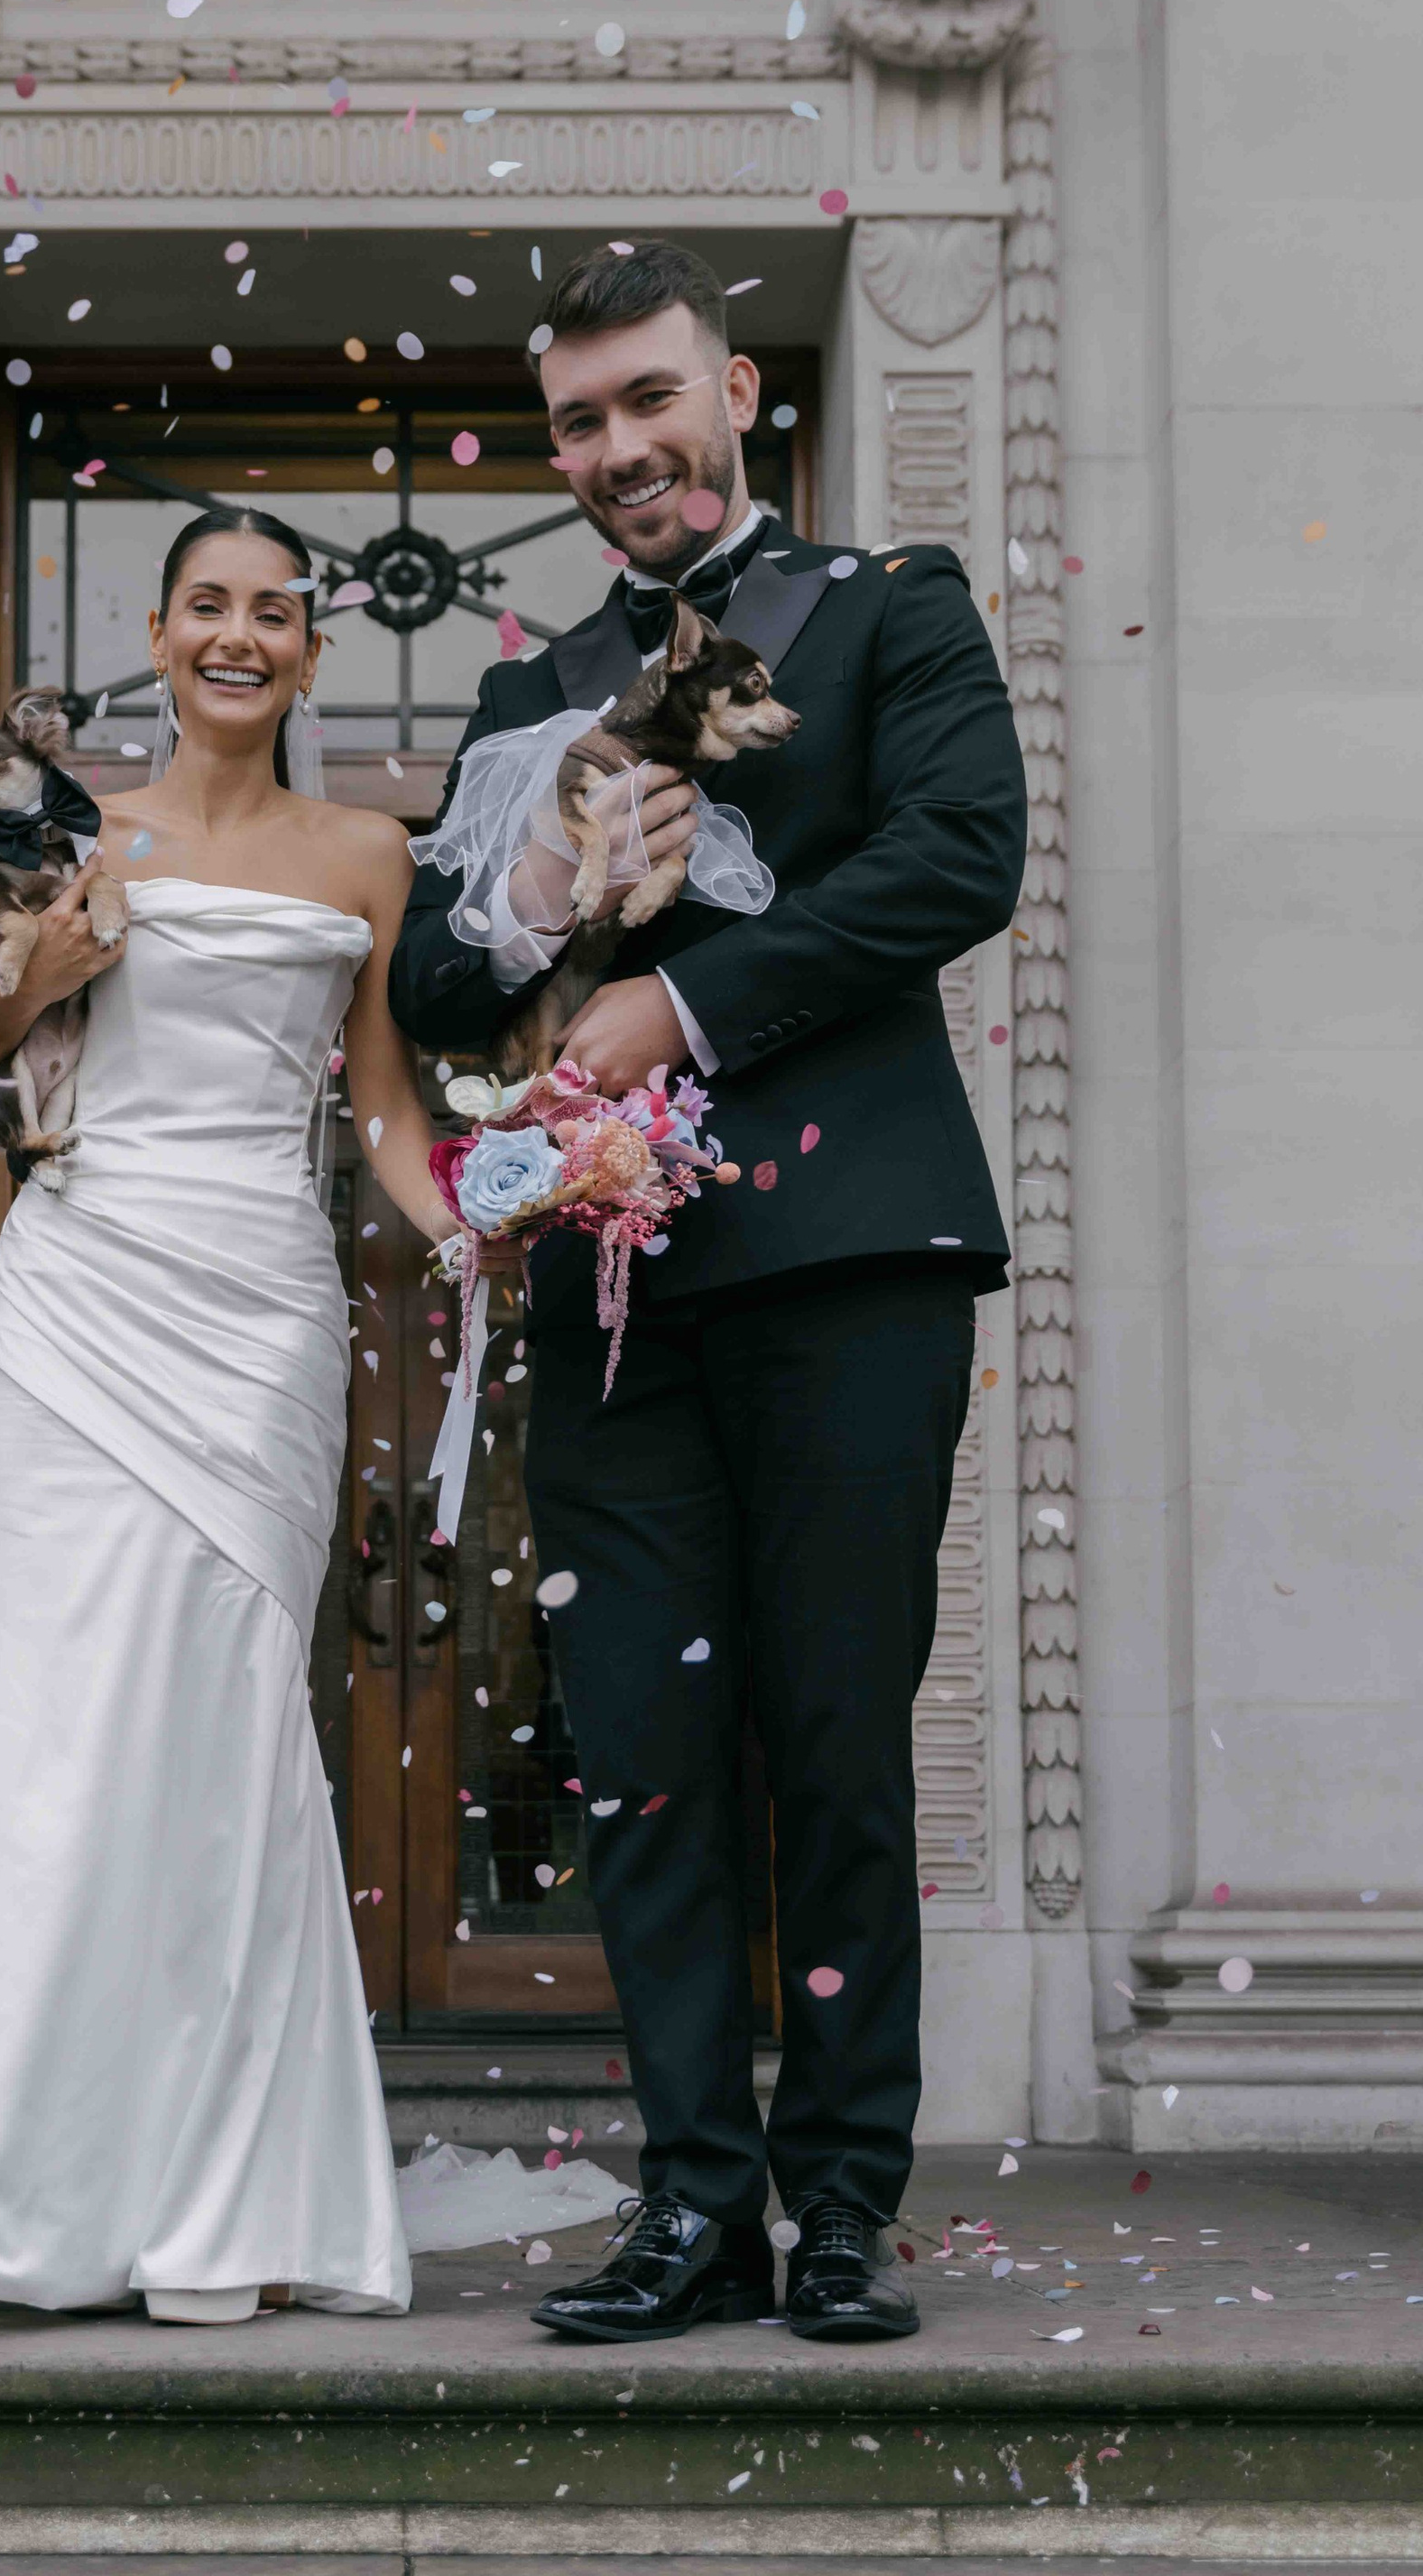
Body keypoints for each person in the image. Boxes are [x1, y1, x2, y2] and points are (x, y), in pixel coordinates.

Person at [390, 236, 1026, 2347]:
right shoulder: (516, 695)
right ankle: (694, 2210)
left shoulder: (885, 610)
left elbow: (952, 859)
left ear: (732, 391)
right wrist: (545, 902)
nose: (615, 450)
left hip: (850, 1259)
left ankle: (841, 2207)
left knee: (830, 1739)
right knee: (642, 1757)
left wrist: (682, 1000)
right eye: (575, 421)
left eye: (646, 400)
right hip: (611, 1299)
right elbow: (419, 981)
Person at [0, 504, 457, 2324]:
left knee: (217, 1734)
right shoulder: (62, 838)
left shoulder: (368, 852)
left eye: (273, 613)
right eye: (206, 603)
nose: (239, 634)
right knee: (54, 1733)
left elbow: (374, 1104)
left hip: (262, 1317)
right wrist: (28, 983)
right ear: (156, 628)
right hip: (82, 1295)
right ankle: (13, 2209)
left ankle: (223, 2207)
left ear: (304, 653)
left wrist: (468, 1230)